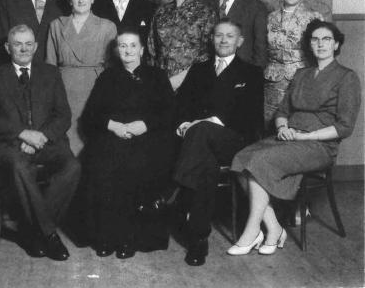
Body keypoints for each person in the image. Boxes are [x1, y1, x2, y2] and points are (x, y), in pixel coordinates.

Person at [229, 20, 361, 257]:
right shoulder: (302, 74)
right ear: (309, 44)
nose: (320, 44)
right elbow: (282, 111)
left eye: (326, 39)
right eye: (315, 39)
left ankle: (251, 231)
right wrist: (282, 128)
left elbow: (344, 127)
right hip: (289, 138)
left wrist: (306, 136)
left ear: (336, 44)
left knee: (260, 162)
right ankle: (274, 228)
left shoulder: (346, 77)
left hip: (319, 145)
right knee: (241, 159)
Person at [140, 19, 263, 266]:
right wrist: (184, 124)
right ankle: (198, 239)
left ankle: (171, 191)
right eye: (219, 35)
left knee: (203, 131)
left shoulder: (251, 72)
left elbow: (251, 119)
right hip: (198, 144)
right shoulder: (199, 69)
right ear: (212, 39)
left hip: (235, 141)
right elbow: (180, 105)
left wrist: (205, 123)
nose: (223, 40)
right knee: (205, 163)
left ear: (240, 41)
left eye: (230, 36)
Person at [0, 24, 81, 261]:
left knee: (72, 166)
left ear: (35, 47)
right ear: (8, 48)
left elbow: (63, 115)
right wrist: (22, 134)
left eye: (28, 44)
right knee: (19, 166)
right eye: (17, 44)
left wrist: (40, 137)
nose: (23, 49)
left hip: (47, 142)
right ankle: (49, 234)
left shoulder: (50, 73)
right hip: (9, 145)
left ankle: (33, 231)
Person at [82, 29, 175, 259]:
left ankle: (128, 238)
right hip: (113, 136)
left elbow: (169, 112)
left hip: (147, 138)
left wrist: (145, 124)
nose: (128, 50)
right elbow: (91, 115)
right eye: (123, 46)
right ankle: (106, 236)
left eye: (133, 46)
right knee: (102, 166)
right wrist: (113, 126)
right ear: (117, 50)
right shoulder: (107, 77)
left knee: (135, 166)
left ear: (142, 50)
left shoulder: (157, 76)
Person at [46, 0, 117, 156]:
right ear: (69, 0)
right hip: (65, 87)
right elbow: (50, 65)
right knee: (67, 136)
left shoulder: (107, 26)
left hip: (95, 86)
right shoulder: (56, 25)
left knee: (93, 134)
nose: (80, 0)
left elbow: (113, 68)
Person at [264, 0, 323, 131]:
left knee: (296, 130)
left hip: (301, 83)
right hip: (271, 85)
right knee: (269, 130)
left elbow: (320, 55)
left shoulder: (314, 18)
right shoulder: (269, 18)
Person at [147, 0, 216, 92]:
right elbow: (152, 50)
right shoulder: (161, 12)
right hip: (161, 84)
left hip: (193, 83)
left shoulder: (205, 12)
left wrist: (179, 80)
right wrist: (157, 82)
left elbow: (207, 54)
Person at [206, 0, 268, 68]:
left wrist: (255, 74)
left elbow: (261, 49)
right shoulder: (205, 5)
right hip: (210, 72)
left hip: (243, 72)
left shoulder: (256, 7)